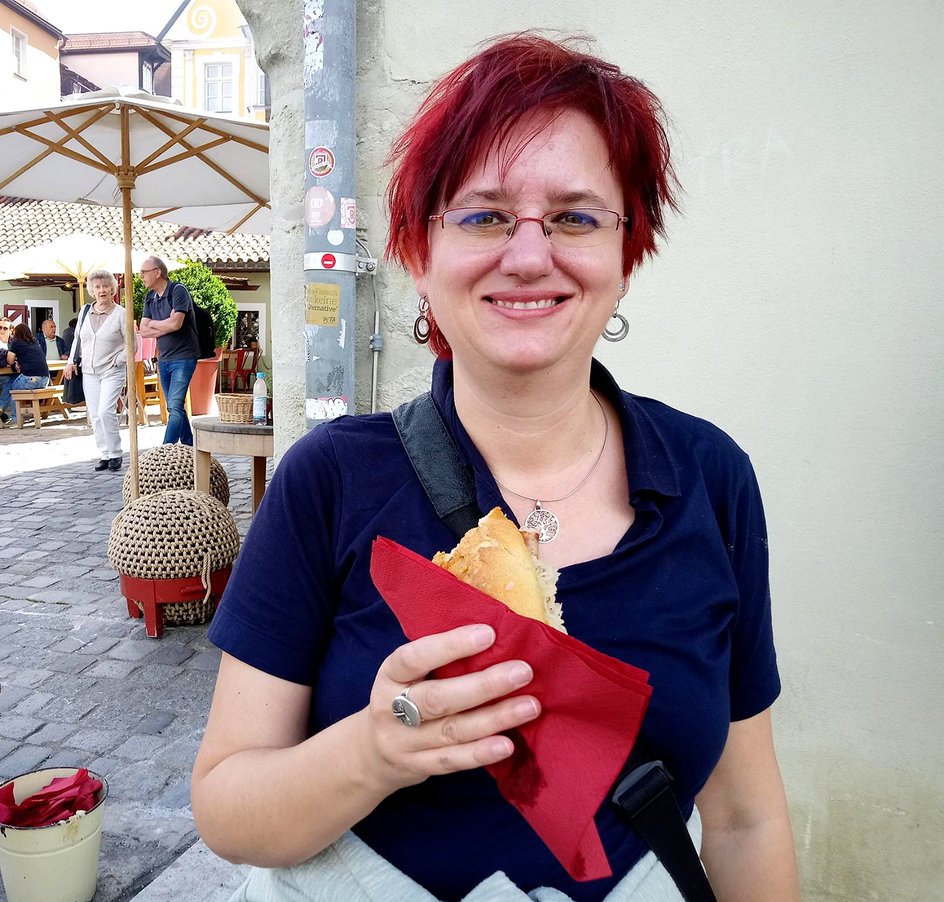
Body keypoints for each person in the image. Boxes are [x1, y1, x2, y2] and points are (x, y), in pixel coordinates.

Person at [191, 34, 798, 901]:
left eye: (576, 217)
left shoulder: (710, 476)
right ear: (418, 253)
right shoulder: (330, 480)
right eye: (482, 216)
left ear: (626, 257)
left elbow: (746, 819)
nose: (527, 253)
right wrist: (373, 750)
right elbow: (225, 810)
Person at [63, 269, 127, 471]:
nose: (102, 290)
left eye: (106, 286)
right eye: (98, 287)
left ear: (112, 289)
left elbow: (132, 344)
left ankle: (116, 453)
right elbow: (78, 339)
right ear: (92, 290)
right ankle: (105, 453)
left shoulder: (121, 314)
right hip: (89, 371)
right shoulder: (84, 312)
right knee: (95, 414)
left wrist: (119, 359)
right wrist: (71, 361)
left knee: (105, 410)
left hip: (112, 370)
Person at [137, 256, 198, 445]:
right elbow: (144, 331)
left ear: (157, 272)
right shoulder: (150, 298)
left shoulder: (178, 291)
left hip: (184, 357)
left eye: (144, 272)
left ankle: (165, 449)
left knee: (174, 405)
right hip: (163, 359)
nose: (141, 277)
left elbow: (177, 324)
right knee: (176, 406)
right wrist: (164, 324)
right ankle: (189, 445)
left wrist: (155, 325)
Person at [0, 322, 51, 424]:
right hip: (45, 379)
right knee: (15, 382)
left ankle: (15, 419)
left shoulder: (16, 342)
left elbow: (10, 360)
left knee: (13, 390)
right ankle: (0, 406)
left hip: (31, 379)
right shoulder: (34, 341)